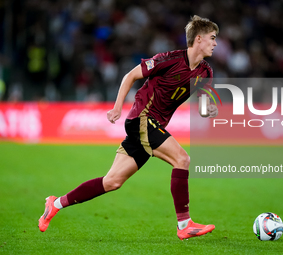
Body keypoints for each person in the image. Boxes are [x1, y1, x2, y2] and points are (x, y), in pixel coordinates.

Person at [38, 15, 219, 240]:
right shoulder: (169, 59)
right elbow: (130, 75)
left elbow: (204, 106)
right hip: (142, 118)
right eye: (212, 38)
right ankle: (184, 224)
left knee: (112, 181)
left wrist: (208, 110)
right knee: (182, 159)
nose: (215, 43)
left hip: (152, 126)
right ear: (199, 39)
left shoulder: (206, 72)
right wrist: (117, 107)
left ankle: (55, 204)